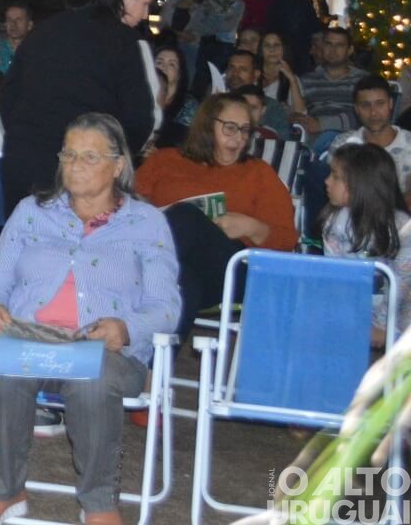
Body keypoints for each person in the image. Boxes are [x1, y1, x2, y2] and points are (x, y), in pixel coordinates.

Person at [0, 113, 180, 525]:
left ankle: (99, 503)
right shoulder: (32, 212)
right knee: (0, 369)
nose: (76, 164)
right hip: (33, 338)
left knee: (92, 381)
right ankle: (5, 490)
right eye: (69, 154)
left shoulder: (145, 222)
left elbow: (166, 307)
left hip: (104, 351)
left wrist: (127, 328)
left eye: (90, 156)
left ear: (118, 166)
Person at [0, 0, 159, 210]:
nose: (146, 14)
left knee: (24, 247)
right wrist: (112, 159)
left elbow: (8, 96)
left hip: (23, 162)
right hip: (83, 174)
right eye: (145, 3)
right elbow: (138, 118)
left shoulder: (45, 29)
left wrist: (25, 137)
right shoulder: (123, 41)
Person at [135, 95, 297, 344]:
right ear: (207, 126)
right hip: (178, 270)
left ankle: (137, 279)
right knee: (185, 281)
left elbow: (287, 240)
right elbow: (126, 209)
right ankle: (151, 374)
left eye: (245, 130)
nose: (239, 138)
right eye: (230, 128)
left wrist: (250, 227)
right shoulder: (164, 160)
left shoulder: (258, 173)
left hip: (229, 270)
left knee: (185, 216)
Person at [321, 143, 411, 347]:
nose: (327, 182)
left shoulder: (403, 229)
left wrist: (379, 329)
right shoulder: (333, 224)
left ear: (360, 184)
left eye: (335, 176)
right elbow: (337, 282)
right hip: (356, 315)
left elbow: (401, 288)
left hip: (400, 317)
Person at [329, 76, 411, 193]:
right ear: (356, 109)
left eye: (380, 104)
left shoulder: (409, 143)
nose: (373, 112)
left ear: (390, 104)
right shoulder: (343, 144)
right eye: (365, 105)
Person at [296, 27, 368, 138]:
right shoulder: (306, 80)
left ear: (349, 51)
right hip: (314, 139)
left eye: (339, 45)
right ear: (322, 47)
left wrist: (323, 124)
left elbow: (368, 114)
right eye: (328, 44)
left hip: (351, 139)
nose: (333, 50)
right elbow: (297, 114)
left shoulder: (363, 80)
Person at [223, 49, 288, 133]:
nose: (235, 73)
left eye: (243, 69)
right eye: (232, 68)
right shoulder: (217, 102)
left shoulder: (272, 108)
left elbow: (282, 142)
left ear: (256, 74)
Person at [258, 31, 307, 121]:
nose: (272, 49)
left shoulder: (291, 78)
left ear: (284, 49)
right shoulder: (253, 74)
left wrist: (292, 80)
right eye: (267, 45)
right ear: (261, 50)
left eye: (276, 45)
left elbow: (301, 114)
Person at [0, 0, 34, 74]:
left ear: (29, 25)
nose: (13, 24)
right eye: (9, 19)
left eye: (18, 19)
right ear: (5, 24)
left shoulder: (36, 52)